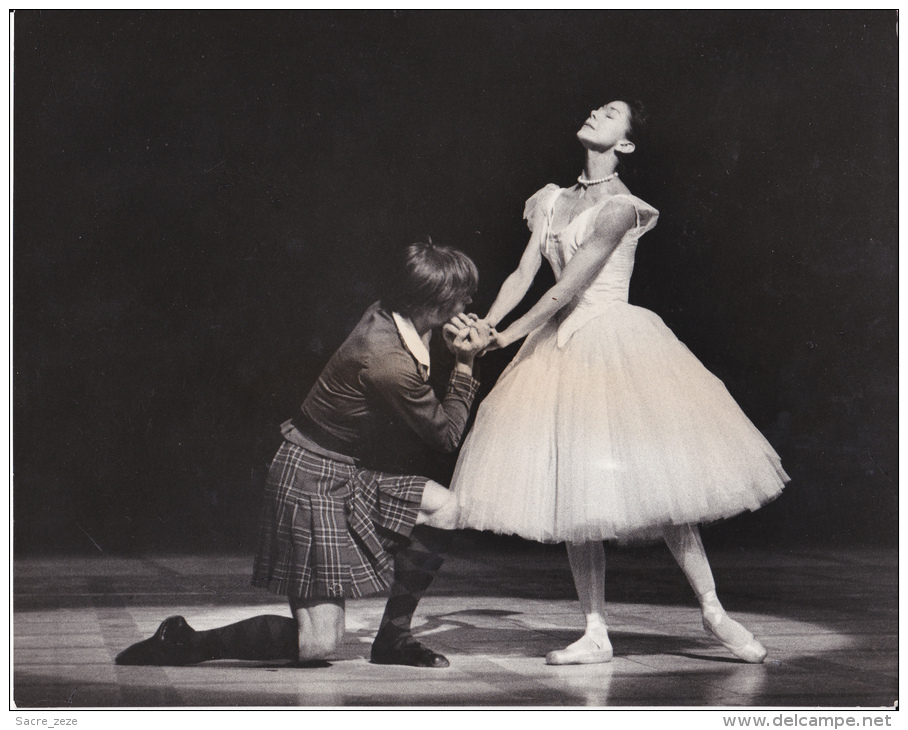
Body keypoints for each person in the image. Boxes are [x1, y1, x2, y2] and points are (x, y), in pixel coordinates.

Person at [450, 100, 789, 665]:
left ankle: (712, 610)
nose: (594, 114)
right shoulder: (551, 198)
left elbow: (569, 289)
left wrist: (503, 340)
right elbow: (525, 274)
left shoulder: (620, 209)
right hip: (559, 351)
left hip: (614, 346)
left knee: (662, 497)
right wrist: (485, 325)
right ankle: (594, 629)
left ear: (625, 144)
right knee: (577, 495)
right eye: (596, 109)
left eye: (611, 115)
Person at [116, 241, 493, 668]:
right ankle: (186, 642)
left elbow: (418, 339)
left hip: (343, 473)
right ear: (434, 303)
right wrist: (465, 364)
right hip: (308, 481)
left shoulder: (389, 312)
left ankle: (393, 639)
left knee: (442, 508)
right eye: (462, 295)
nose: (470, 302)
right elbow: (445, 437)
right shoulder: (386, 361)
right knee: (319, 645)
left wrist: (444, 334)